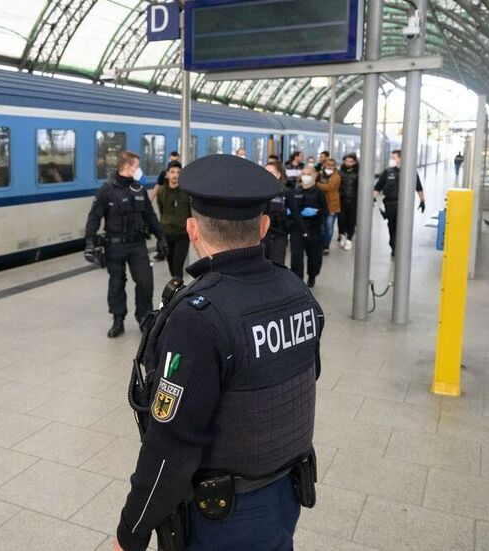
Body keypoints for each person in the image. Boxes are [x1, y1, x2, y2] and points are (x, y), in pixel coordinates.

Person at [116, 154, 323, 551]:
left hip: (223, 517)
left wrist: (132, 532)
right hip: (286, 494)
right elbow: (303, 376)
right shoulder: (298, 292)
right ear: (264, 227)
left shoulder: (199, 317)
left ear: (193, 231)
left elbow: (171, 444)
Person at [85, 150, 167, 338]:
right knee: (116, 283)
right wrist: (89, 242)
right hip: (114, 246)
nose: (139, 169)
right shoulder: (107, 190)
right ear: (126, 166)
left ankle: (144, 318)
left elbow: (150, 215)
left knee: (145, 282)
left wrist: (161, 237)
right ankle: (118, 319)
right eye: (136, 166)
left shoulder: (138, 189)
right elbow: (94, 217)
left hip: (137, 244)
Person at [374, 149, 426, 257]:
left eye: (394, 158)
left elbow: (419, 187)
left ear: (401, 158)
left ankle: (399, 247)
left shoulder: (411, 172)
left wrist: (422, 200)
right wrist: (373, 198)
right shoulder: (387, 172)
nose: (392, 160)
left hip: (405, 205)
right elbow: (378, 186)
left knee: (402, 227)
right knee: (392, 226)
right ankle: (393, 246)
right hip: (390, 205)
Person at [290, 165, 327, 287]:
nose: (306, 177)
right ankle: (297, 280)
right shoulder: (295, 191)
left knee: (314, 255)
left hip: (314, 228)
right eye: (304, 174)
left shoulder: (319, 193)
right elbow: (288, 207)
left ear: (315, 176)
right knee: (296, 256)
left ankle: (312, 275)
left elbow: (326, 211)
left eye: (309, 174)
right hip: (297, 227)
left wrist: (317, 212)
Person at [262, 161, 305, 266]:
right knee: (262, 263)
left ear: (278, 175)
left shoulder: (286, 192)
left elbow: (295, 213)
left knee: (277, 263)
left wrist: (304, 231)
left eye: (271, 172)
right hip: (262, 234)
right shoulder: (259, 191)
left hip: (279, 233)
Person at [155, 161, 190, 279]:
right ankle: (177, 286)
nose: (175, 175)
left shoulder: (186, 193)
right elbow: (162, 211)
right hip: (167, 234)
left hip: (182, 234)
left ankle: (179, 290)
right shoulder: (161, 192)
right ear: (167, 174)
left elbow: (190, 212)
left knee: (177, 267)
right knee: (171, 266)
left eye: (178, 172)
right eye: (172, 172)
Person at [152, 151, 181, 260]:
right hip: (166, 202)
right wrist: (150, 199)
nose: (173, 161)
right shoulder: (164, 173)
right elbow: (158, 186)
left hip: (177, 202)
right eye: (172, 160)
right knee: (163, 226)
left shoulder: (180, 173)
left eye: (175, 160)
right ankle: (161, 250)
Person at [316, 157, 341, 255]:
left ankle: (326, 246)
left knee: (329, 228)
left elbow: (329, 187)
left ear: (335, 166)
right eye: (327, 165)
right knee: (321, 227)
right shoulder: (319, 174)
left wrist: (316, 184)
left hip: (332, 205)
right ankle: (320, 245)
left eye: (332, 166)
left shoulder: (336, 177)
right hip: (320, 205)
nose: (329, 167)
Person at [338, 153, 360, 250]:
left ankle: (349, 240)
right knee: (341, 220)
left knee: (351, 221)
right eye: (346, 161)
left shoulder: (358, 172)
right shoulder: (340, 172)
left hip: (353, 200)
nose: (348, 163)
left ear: (355, 162)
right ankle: (342, 234)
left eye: (351, 161)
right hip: (341, 199)